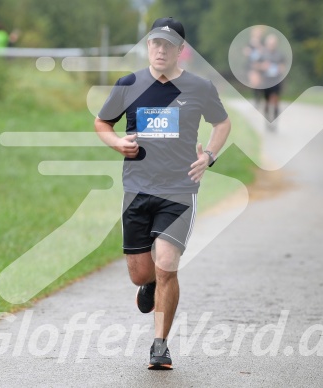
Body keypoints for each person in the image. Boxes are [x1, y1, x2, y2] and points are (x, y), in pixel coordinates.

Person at [94, 17, 231, 370]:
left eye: (168, 45)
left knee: (168, 266)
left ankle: (160, 345)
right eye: (155, 43)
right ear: (148, 46)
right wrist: (116, 143)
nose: (160, 49)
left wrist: (209, 155)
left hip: (179, 190)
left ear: (180, 50)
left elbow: (222, 122)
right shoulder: (129, 84)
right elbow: (102, 123)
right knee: (142, 274)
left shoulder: (199, 88)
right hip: (138, 189)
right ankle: (149, 283)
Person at [258, 33, 286, 129]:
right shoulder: (262, 55)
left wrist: (279, 69)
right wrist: (263, 66)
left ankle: (274, 119)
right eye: (270, 43)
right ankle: (267, 120)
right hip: (265, 81)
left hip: (276, 81)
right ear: (267, 44)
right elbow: (256, 66)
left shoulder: (280, 55)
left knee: (275, 100)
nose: (272, 45)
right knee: (266, 102)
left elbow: (283, 67)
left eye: (273, 43)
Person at [243, 25, 266, 106]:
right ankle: (257, 100)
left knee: (260, 83)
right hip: (252, 65)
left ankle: (260, 98)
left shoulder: (263, 42)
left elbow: (265, 52)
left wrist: (258, 46)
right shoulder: (250, 42)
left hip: (261, 65)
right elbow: (246, 52)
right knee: (255, 83)